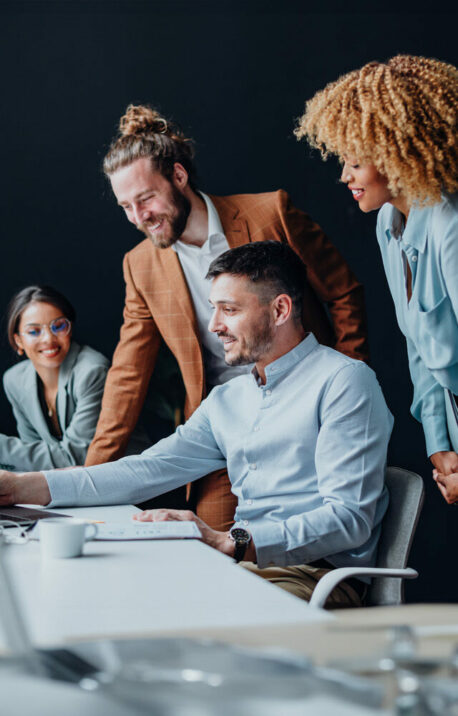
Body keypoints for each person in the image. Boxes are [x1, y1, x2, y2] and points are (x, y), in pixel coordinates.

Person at [0, 242, 392, 606]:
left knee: (185, 620)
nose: (214, 325)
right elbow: (144, 470)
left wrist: (230, 541)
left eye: (230, 310)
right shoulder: (228, 399)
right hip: (243, 566)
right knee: (115, 597)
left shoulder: (344, 381)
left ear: (280, 310)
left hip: (314, 576)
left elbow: (349, 519)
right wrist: (21, 486)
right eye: (213, 308)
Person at [85, 103, 370, 530]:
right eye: (126, 206)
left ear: (178, 176)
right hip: (223, 430)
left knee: (304, 548)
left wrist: (345, 385)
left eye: (145, 198)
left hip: (305, 413)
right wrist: (90, 480)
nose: (138, 218)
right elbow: (128, 374)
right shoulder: (140, 265)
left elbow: (344, 292)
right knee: (213, 558)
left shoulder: (271, 213)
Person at [295, 54, 458, 505]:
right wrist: (440, 444)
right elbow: (419, 348)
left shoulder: (451, 227)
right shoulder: (389, 223)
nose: (343, 175)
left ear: (397, 152)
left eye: (355, 161)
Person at [0, 285, 109, 470]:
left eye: (58, 326)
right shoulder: (14, 380)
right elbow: (32, 457)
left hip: (119, 483)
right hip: (68, 487)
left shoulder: (92, 371)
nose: (49, 339)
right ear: (18, 341)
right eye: (34, 331)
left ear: (70, 329)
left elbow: (76, 458)